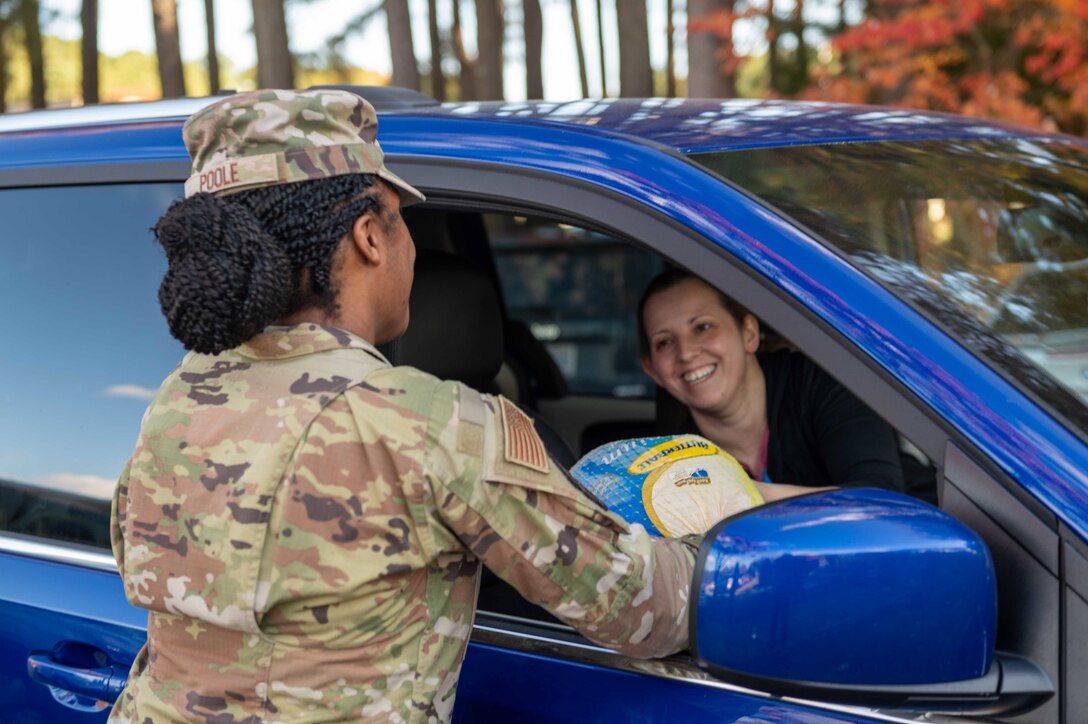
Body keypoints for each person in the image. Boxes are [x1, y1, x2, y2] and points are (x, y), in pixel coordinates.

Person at [110, 89, 699, 723]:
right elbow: (646, 611)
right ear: (369, 237)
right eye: (402, 221)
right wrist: (716, 523)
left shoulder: (175, 401)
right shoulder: (425, 422)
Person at [637, 268, 906, 491]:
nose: (685, 353)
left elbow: (882, 499)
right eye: (664, 343)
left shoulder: (821, 382)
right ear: (652, 371)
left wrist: (745, 497)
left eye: (702, 327)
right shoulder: (674, 466)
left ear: (749, 333)